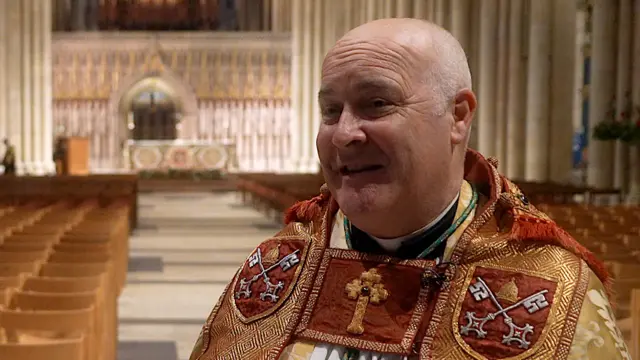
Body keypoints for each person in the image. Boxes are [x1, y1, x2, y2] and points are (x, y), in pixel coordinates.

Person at [190, 19, 629, 360]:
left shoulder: (547, 288)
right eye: (330, 110)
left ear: (458, 116)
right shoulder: (279, 267)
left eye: (377, 104)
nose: (344, 134)